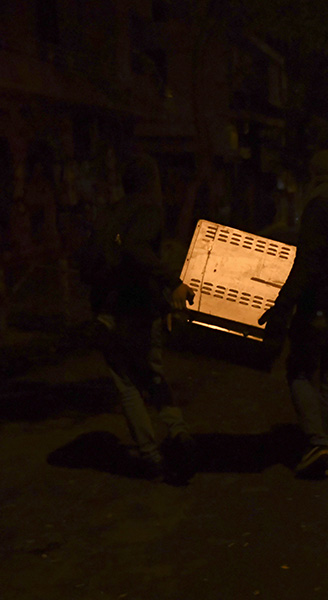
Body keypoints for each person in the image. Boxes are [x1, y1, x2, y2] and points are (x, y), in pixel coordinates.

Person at [258, 149, 328, 479]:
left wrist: (281, 309)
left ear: (315, 174)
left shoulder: (319, 206)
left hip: (321, 308)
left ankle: (317, 443)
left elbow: (306, 265)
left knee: (299, 371)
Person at [85, 153, 196, 482]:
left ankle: (151, 455)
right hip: (135, 310)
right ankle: (177, 434)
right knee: (151, 372)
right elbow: (136, 248)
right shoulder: (148, 210)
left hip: (107, 310)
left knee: (127, 384)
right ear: (152, 182)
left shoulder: (109, 214)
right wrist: (172, 283)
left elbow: (98, 255)